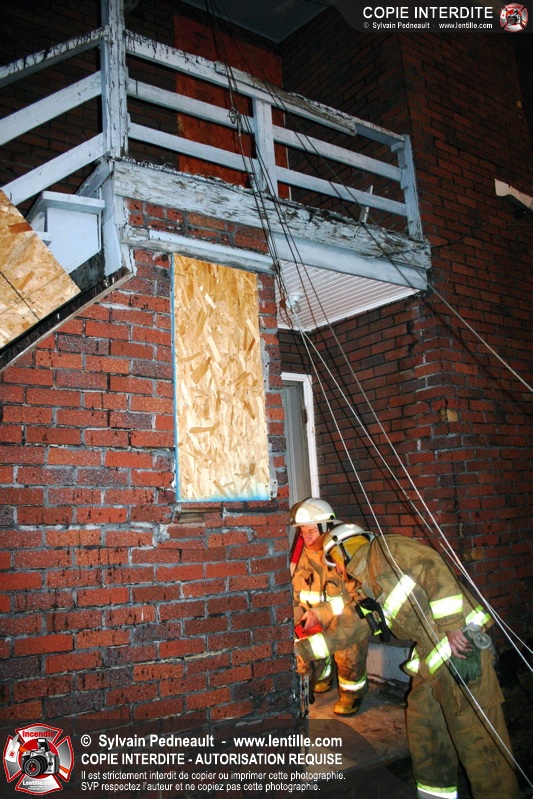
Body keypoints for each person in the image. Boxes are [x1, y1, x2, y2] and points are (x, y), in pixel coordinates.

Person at [295, 524, 520, 799]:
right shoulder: (367, 591)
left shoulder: (385, 549)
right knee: (425, 731)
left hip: (461, 648)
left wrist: (451, 625)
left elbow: (431, 565)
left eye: (335, 562)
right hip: (431, 661)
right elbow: (347, 630)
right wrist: (300, 651)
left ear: (344, 549)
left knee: (477, 740)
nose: (338, 571)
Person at [290, 498, 369, 716]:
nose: (306, 537)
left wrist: (320, 613)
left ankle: (352, 694)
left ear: (326, 527)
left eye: (311, 532)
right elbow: (295, 592)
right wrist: (294, 619)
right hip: (315, 619)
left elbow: (357, 597)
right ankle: (323, 676)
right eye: (303, 532)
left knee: (348, 648)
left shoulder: (344, 550)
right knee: (302, 641)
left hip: (346, 618)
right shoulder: (302, 554)